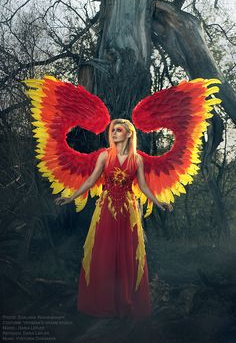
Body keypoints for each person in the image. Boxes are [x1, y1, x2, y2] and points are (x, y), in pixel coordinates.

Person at [55, 118, 173, 318]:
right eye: (113, 130)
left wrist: (158, 202)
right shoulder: (104, 156)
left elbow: (143, 186)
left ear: (129, 134)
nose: (114, 133)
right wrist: (71, 197)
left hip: (128, 211)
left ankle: (126, 301)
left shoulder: (137, 160)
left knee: (127, 251)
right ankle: (103, 302)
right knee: (103, 251)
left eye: (119, 130)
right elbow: (92, 180)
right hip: (106, 209)